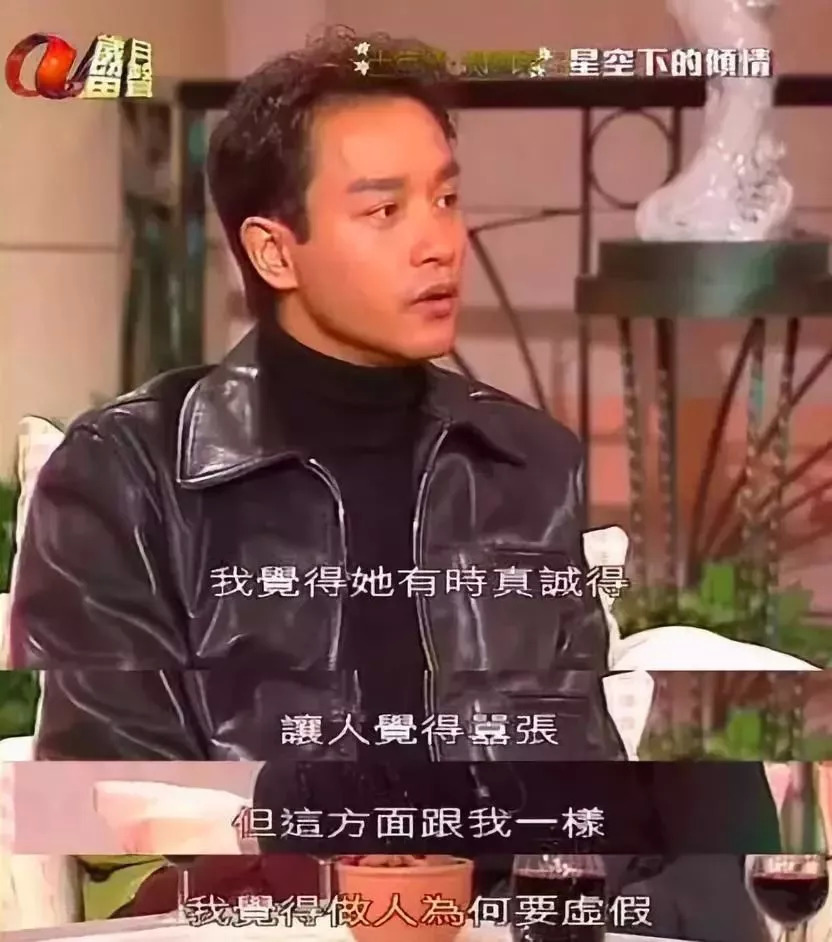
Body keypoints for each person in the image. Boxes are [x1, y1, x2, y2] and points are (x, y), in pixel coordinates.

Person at [10, 27, 773, 940]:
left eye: (446, 198)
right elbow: (103, 808)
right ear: (275, 252)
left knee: (728, 796)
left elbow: (579, 768)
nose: (439, 242)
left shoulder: (527, 461)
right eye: (385, 210)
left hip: (520, 913)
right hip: (284, 918)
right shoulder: (128, 470)